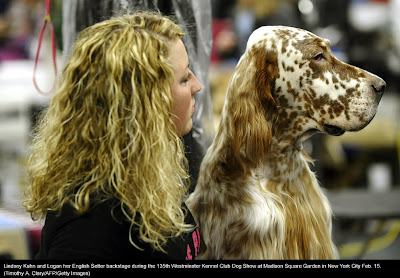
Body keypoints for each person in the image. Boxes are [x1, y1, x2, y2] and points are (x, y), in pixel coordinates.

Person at [24, 11, 202, 260]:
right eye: (184, 79)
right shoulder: (91, 220)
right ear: (146, 101)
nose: (197, 86)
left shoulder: (147, 177)